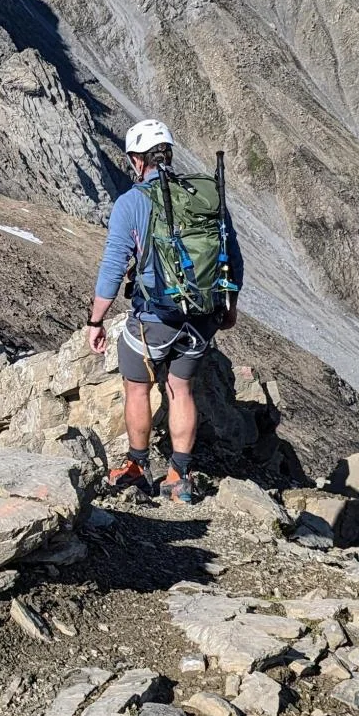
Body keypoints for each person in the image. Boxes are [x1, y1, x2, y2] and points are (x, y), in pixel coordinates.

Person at [86, 119, 242, 504]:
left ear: (137, 160)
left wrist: (96, 320)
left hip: (155, 317)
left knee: (137, 388)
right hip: (202, 317)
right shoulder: (205, 195)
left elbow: (113, 267)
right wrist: (230, 306)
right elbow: (232, 257)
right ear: (168, 153)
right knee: (181, 388)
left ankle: (138, 467)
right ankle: (181, 474)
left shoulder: (132, 203)